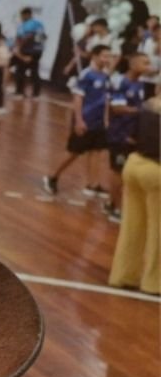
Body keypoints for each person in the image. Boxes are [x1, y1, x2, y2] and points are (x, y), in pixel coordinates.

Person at [43, 45, 114, 196]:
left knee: (96, 152)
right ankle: (52, 177)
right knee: (74, 152)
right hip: (86, 120)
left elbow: (106, 100)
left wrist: (106, 119)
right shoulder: (86, 75)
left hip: (99, 122)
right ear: (95, 56)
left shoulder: (106, 76)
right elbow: (78, 98)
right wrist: (79, 120)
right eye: (104, 56)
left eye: (109, 56)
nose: (107, 59)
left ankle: (93, 184)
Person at [107, 95, 160, 295]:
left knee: (132, 226)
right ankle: (155, 283)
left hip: (134, 165)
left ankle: (123, 276)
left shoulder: (148, 104)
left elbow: (131, 137)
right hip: (156, 171)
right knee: (158, 230)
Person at [104, 54, 152, 220]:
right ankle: (115, 209)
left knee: (126, 171)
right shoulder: (121, 82)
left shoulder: (140, 84)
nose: (148, 66)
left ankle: (111, 203)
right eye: (144, 63)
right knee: (118, 171)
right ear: (132, 64)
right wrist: (143, 111)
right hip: (119, 135)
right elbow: (117, 108)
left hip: (132, 134)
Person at [12, 7, 45, 99]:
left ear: (27, 14)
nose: (21, 18)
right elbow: (43, 38)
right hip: (37, 51)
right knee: (33, 71)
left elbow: (28, 36)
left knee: (21, 71)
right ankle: (35, 93)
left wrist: (19, 47)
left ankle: (20, 92)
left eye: (22, 16)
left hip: (29, 51)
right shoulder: (38, 24)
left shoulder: (30, 24)